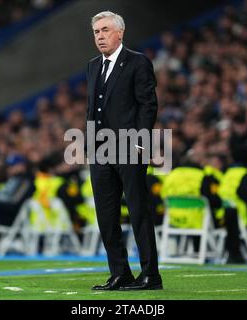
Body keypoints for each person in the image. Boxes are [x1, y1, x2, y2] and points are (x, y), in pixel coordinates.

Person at [86, 11, 161, 290]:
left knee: (139, 211)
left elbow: (147, 104)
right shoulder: (93, 65)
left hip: (130, 147)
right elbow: (92, 108)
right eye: (96, 32)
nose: (100, 36)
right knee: (106, 216)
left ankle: (151, 275)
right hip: (100, 150)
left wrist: (142, 142)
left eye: (105, 30)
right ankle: (120, 273)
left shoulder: (138, 62)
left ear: (120, 33)